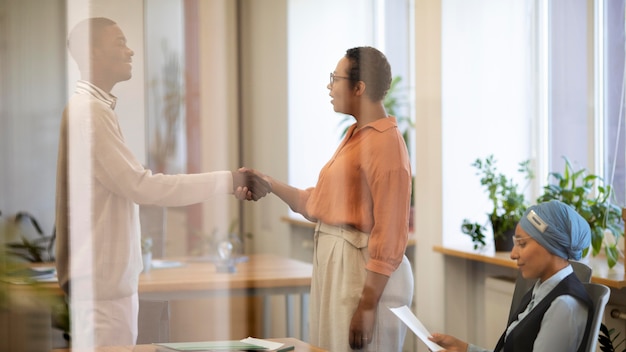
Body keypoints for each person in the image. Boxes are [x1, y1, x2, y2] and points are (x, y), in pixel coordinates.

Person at [55, 17, 269, 347]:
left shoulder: (94, 108)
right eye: (119, 43)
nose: (130, 51)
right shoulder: (90, 112)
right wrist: (227, 181)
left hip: (106, 287)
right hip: (102, 291)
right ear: (93, 53)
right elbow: (142, 187)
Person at [239, 46, 414, 351]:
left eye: (335, 78)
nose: (329, 86)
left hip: (363, 278)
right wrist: (268, 183)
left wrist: (368, 305)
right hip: (341, 270)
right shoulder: (358, 135)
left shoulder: (386, 144)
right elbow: (317, 203)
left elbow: (391, 233)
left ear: (359, 88)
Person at [429, 200, 594, 352]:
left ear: (551, 245)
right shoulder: (541, 290)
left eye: (522, 244)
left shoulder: (564, 307)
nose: (513, 254)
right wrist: (464, 349)